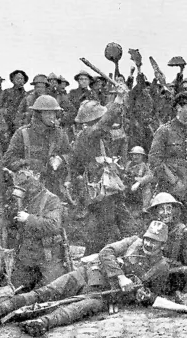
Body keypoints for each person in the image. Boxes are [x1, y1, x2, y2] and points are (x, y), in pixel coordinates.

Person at [0, 221, 175, 336]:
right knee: (48, 291)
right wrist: (120, 277)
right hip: (88, 273)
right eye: (147, 239)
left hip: (104, 294)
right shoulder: (132, 242)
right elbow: (107, 252)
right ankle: (3, 307)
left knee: (76, 309)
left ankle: (42, 323)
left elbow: (151, 294)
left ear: (163, 245)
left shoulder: (161, 267)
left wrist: (138, 294)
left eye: (154, 241)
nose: (149, 244)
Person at [72, 85, 135, 254]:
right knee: (101, 231)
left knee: (125, 224)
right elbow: (105, 123)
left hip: (109, 189)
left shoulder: (96, 136)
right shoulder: (88, 135)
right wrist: (118, 100)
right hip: (99, 191)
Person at [4, 160, 67, 291]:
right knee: (16, 292)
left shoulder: (51, 199)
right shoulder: (21, 199)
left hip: (47, 256)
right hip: (26, 255)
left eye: (27, 178)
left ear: (37, 176)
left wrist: (29, 219)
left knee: (51, 292)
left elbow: (54, 225)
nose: (23, 184)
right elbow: (10, 227)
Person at [3, 94, 72, 198]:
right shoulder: (23, 133)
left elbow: (70, 155)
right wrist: (27, 163)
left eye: (54, 113)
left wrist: (60, 159)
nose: (52, 117)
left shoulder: (60, 134)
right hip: (27, 187)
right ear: (38, 114)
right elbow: (8, 160)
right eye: (48, 113)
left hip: (53, 186)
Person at [148, 92, 187, 201]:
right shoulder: (164, 131)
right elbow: (154, 160)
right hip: (170, 187)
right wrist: (173, 181)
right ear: (178, 107)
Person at [0, 69, 29, 138]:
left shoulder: (27, 95)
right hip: (6, 123)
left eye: (21, 78)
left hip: (20, 124)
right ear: (12, 80)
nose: (19, 80)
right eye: (17, 78)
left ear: (24, 81)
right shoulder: (6, 92)